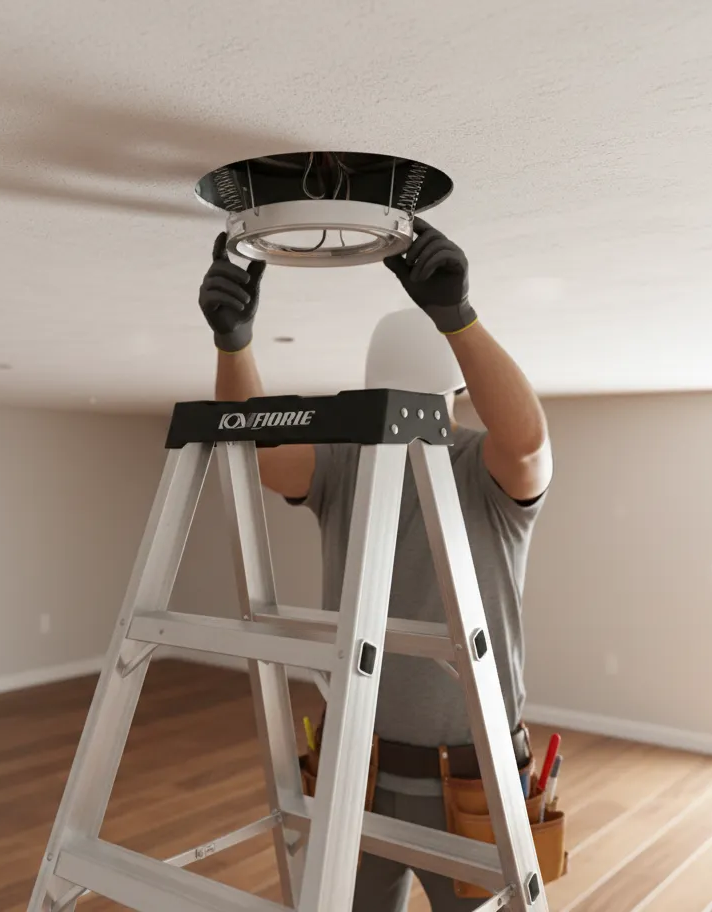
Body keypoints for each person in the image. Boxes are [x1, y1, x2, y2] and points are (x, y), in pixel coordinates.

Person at [197, 218, 553, 912]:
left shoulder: (482, 470)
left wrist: (457, 318)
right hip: (354, 765)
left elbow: (530, 443)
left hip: (472, 780)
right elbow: (257, 452)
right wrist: (232, 343)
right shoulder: (349, 462)